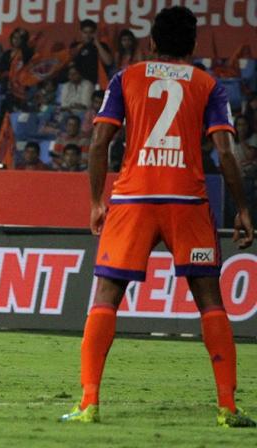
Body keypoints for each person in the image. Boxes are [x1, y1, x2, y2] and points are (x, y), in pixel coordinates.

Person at [59, 6, 256, 427]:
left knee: (106, 297)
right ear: (192, 45)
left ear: (151, 43)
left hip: (133, 200)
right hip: (186, 202)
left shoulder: (125, 77)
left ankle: (89, 402)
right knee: (209, 301)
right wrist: (242, 209)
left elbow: (98, 143)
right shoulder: (208, 84)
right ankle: (228, 407)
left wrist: (97, 202)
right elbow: (225, 153)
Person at [70, 19, 113, 85]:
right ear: (81, 32)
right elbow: (70, 63)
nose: (88, 35)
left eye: (91, 32)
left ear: (95, 33)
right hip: (77, 82)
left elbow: (108, 62)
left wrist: (97, 42)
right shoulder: (76, 46)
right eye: (85, 32)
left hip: (95, 83)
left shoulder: (101, 46)